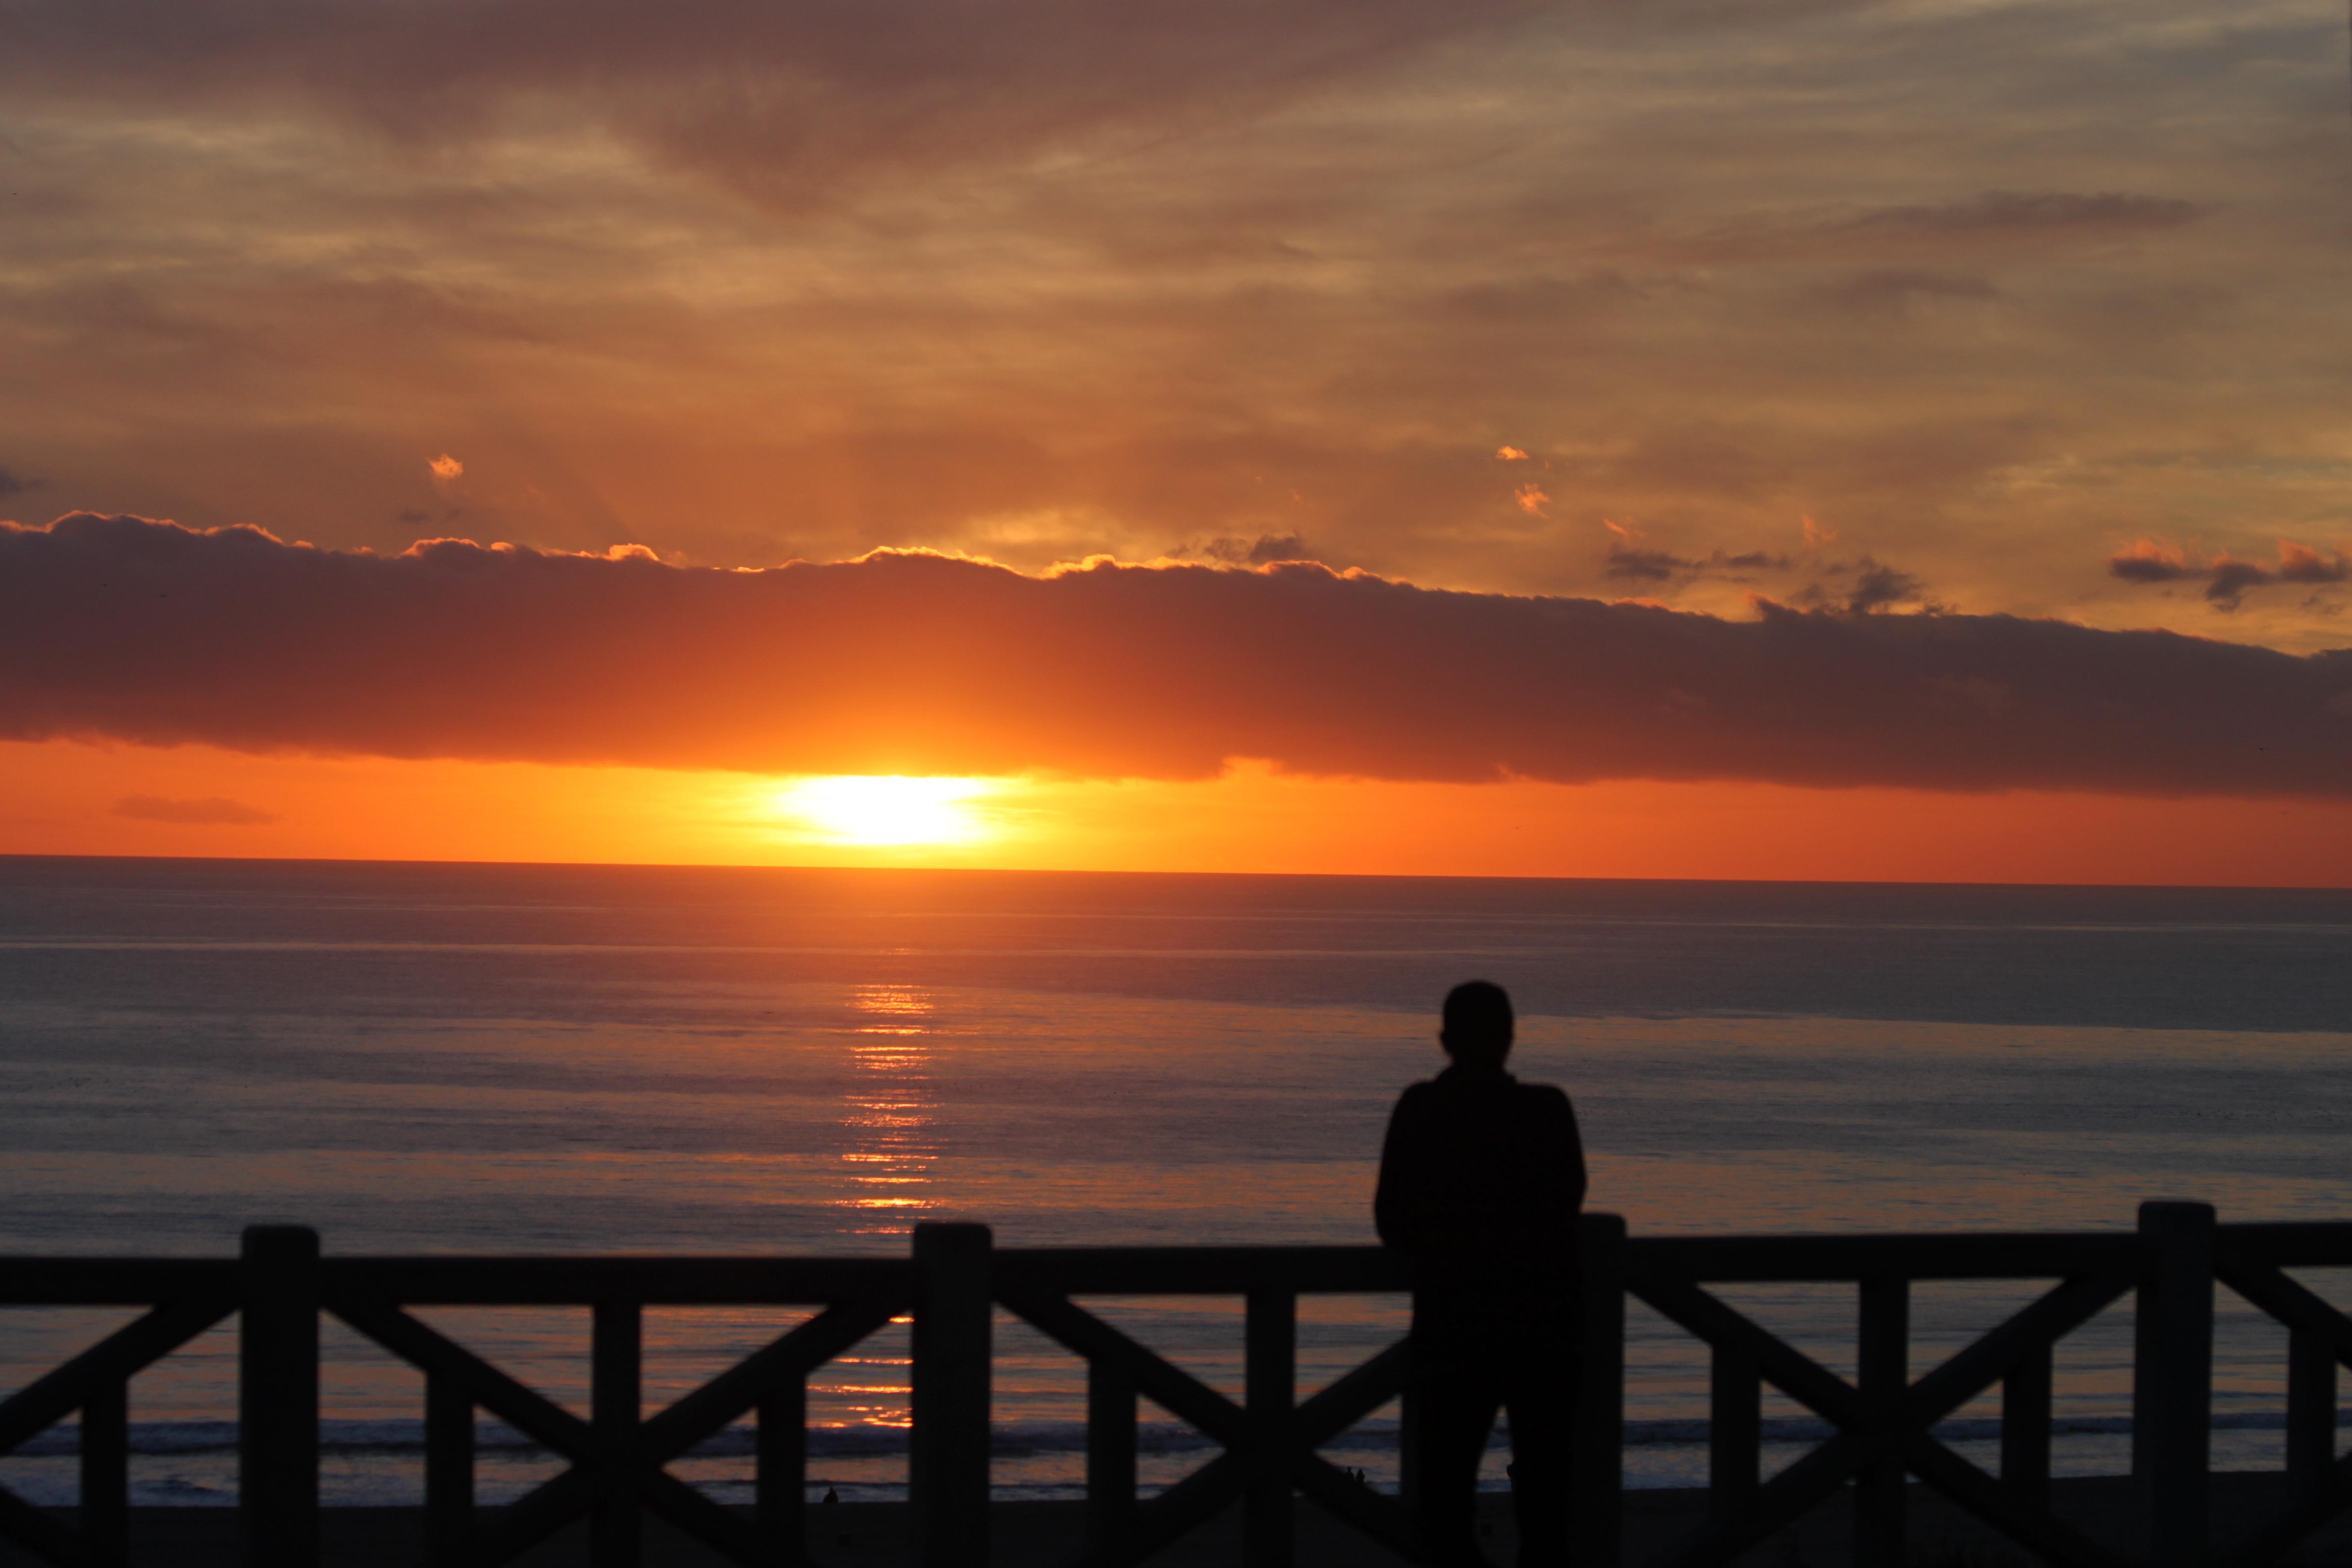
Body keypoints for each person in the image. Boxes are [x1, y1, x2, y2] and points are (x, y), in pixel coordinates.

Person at [1375, 980, 1586, 1568]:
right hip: (1545, 1336)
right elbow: (1566, 1205)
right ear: (1511, 1039)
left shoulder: (1421, 1110)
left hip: (1453, 1335)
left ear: (1444, 1041)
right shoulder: (1547, 1111)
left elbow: (1392, 1222)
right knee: (1547, 1514)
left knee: (1444, 1509)